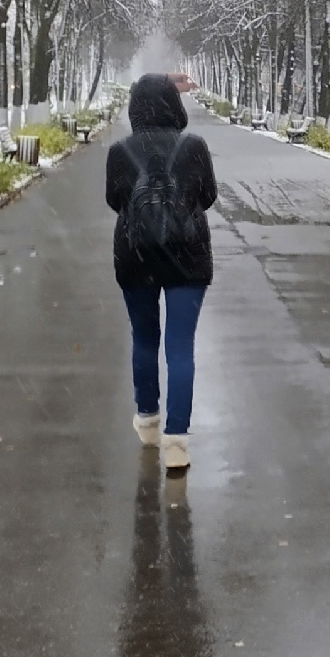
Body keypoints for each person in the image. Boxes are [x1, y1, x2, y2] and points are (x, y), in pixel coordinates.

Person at [106, 73, 217, 473]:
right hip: (188, 256)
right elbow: (208, 197)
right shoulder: (195, 147)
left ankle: (148, 419)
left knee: (145, 341)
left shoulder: (120, 150)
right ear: (176, 104)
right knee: (180, 347)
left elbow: (114, 200)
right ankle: (177, 442)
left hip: (135, 255)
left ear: (136, 106)